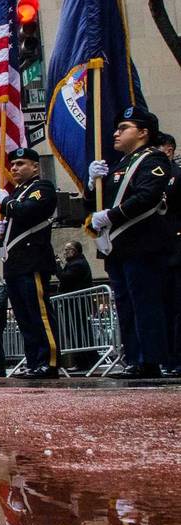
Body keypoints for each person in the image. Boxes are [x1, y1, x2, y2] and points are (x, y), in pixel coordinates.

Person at [86, 106, 173, 379]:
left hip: (142, 245)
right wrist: (91, 185)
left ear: (143, 132)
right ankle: (134, 359)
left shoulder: (153, 159)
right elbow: (97, 205)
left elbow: (148, 196)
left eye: (124, 128)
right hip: (119, 249)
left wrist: (109, 216)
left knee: (144, 304)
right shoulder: (119, 165)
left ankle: (150, 360)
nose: (116, 133)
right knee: (125, 306)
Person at [0, 147, 59, 378]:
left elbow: (27, 212)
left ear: (35, 167)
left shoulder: (42, 188)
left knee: (39, 315)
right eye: (12, 165)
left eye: (20, 164)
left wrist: (5, 201)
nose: (14, 168)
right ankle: (33, 361)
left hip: (33, 261)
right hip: (15, 264)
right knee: (24, 319)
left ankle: (48, 362)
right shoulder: (18, 193)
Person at [158, 133, 181, 377]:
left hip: (175, 249)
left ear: (169, 150)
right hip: (158, 251)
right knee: (164, 308)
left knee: (176, 308)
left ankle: (176, 358)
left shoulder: (175, 176)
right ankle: (167, 358)